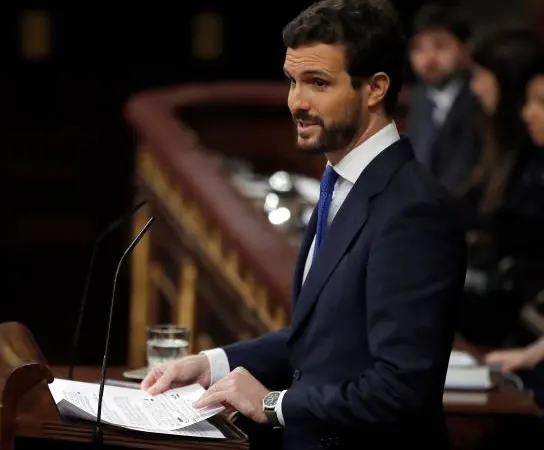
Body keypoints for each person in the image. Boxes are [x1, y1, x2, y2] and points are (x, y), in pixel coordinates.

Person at [142, 0, 467, 448]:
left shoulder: (414, 210)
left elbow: (401, 389)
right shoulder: (341, 181)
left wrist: (275, 404)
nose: (296, 102)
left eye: (317, 83)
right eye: (292, 82)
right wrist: (212, 363)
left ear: (374, 89)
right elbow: (323, 340)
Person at [455, 26, 544, 347]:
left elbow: (512, 233)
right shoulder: (492, 134)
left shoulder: (533, 154)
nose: (475, 88)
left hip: (515, 314)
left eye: (481, 76)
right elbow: (468, 205)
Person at [406, 3, 481, 192]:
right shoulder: (420, 96)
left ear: (465, 50)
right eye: (419, 49)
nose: (428, 59)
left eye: (440, 46)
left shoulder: (479, 98)